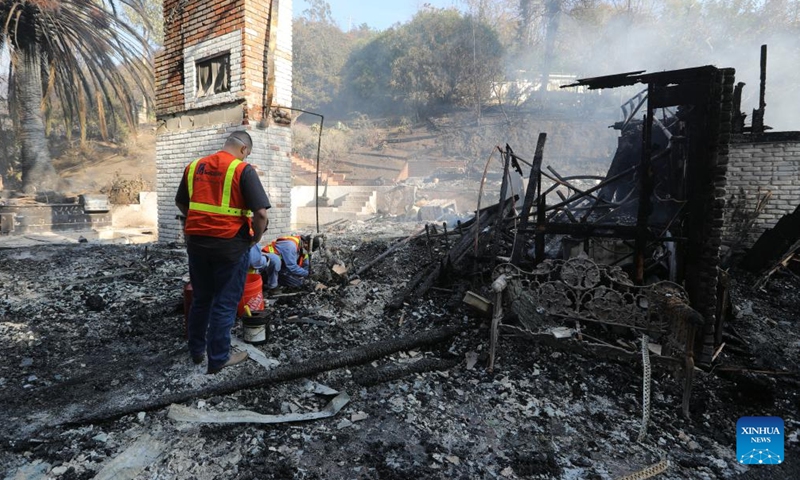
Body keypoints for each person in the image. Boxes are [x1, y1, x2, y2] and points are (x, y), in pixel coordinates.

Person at [175, 131, 270, 375]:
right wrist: (255, 239)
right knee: (225, 303)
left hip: (196, 245)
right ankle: (218, 359)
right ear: (244, 150)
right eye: (246, 154)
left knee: (201, 298)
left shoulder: (194, 167)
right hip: (230, 246)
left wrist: (196, 222)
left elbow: (181, 203)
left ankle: (197, 351)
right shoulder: (242, 170)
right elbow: (261, 214)